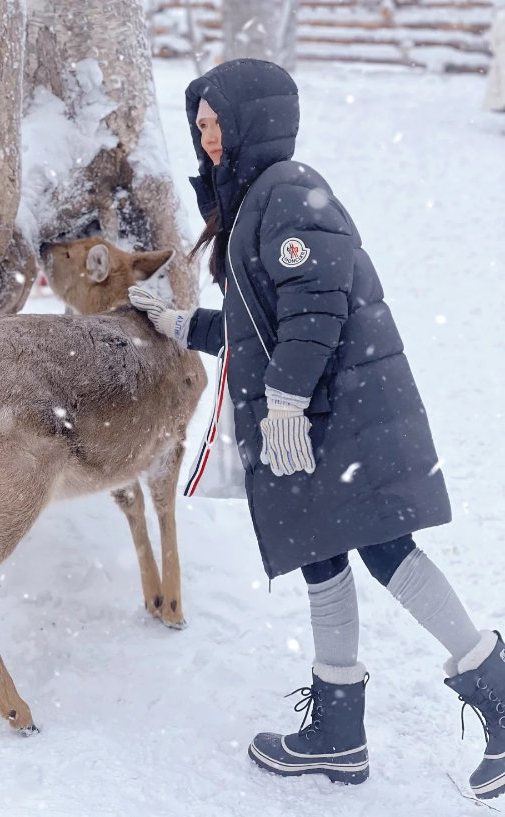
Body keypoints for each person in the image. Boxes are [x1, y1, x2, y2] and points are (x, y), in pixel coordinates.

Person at [128, 59, 505, 800]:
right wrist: (179, 324)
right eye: (199, 125)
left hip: (340, 416)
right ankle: (339, 732)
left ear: (251, 121)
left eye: (215, 123)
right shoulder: (257, 201)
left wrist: (288, 401)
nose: (205, 137)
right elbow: (258, 324)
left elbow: (315, 308)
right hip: (317, 418)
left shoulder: (291, 194)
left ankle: (494, 688)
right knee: (321, 555)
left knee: (386, 548)